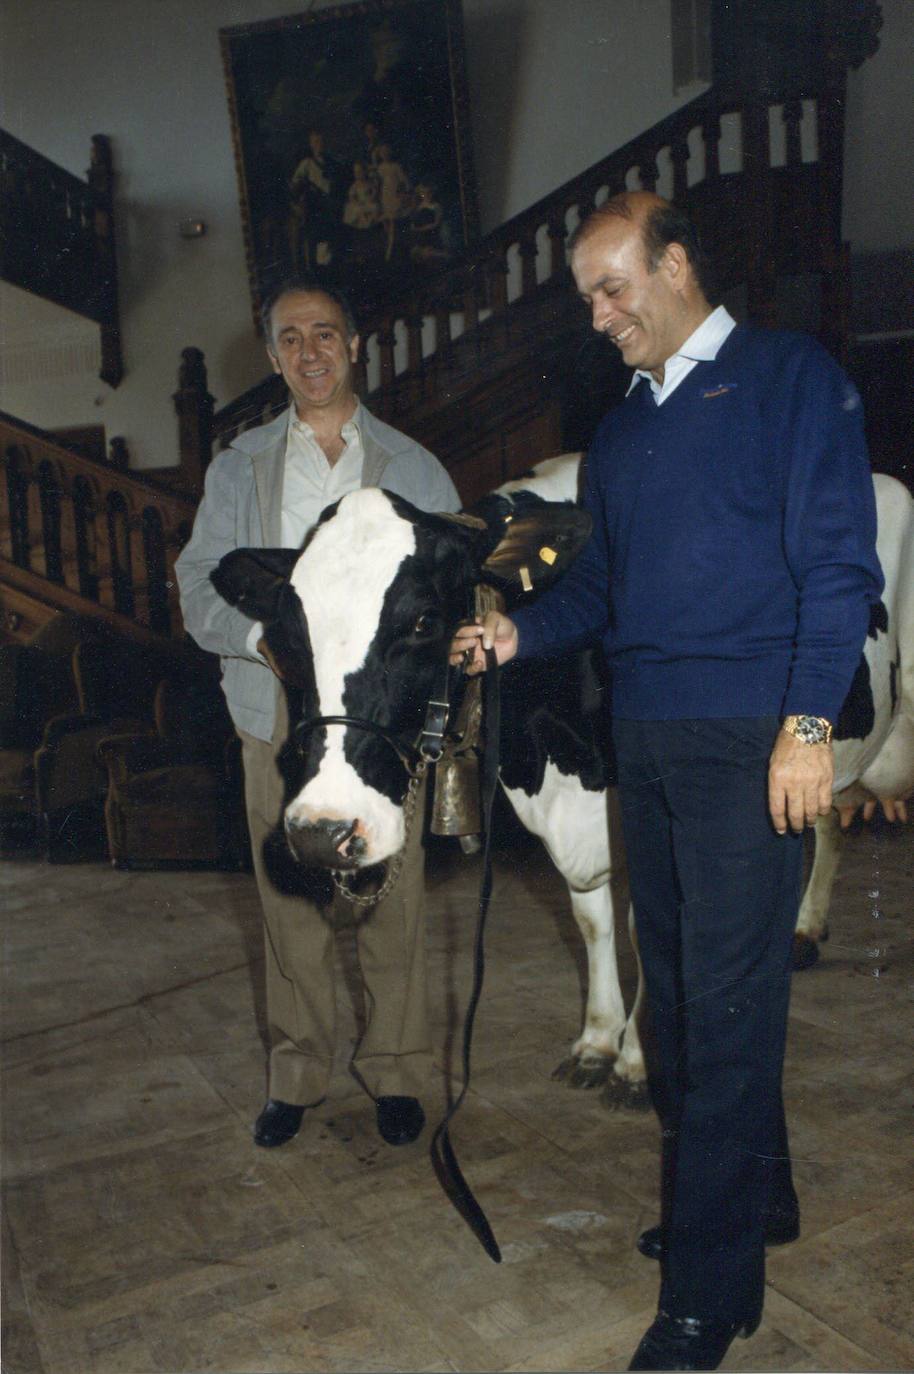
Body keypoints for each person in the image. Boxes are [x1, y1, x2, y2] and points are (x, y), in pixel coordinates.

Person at [452, 192, 883, 1371]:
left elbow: (837, 565)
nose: (597, 316)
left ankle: (704, 1297)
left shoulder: (789, 378)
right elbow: (600, 595)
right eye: (585, 296)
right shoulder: (623, 432)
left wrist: (805, 725)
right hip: (644, 736)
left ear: (676, 263)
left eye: (611, 287)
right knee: (684, 994)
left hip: (751, 736)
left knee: (726, 1006)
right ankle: (756, 1203)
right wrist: (516, 640)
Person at [177, 280, 460, 1153]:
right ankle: (297, 1074)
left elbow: (452, 588)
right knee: (289, 905)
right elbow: (197, 587)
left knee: (395, 903)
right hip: (277, 723)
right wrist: (261, 640)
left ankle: (401, 1071)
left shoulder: (411, 467)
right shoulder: (240, 469)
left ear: (354, 344)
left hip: (380, 733)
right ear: (272, 357)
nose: (310, 352)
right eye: (291, 338)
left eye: (326, 334)